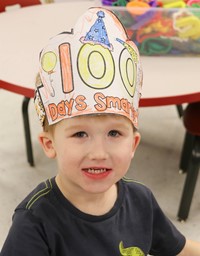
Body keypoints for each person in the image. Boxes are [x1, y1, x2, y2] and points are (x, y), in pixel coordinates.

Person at [1, 7, 200, 256]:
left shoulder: (141, 201)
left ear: (134, 144)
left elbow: (180, 249)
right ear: (49, 144)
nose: (99, 152)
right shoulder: (33, 222)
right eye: (80, 134)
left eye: (114, 134)